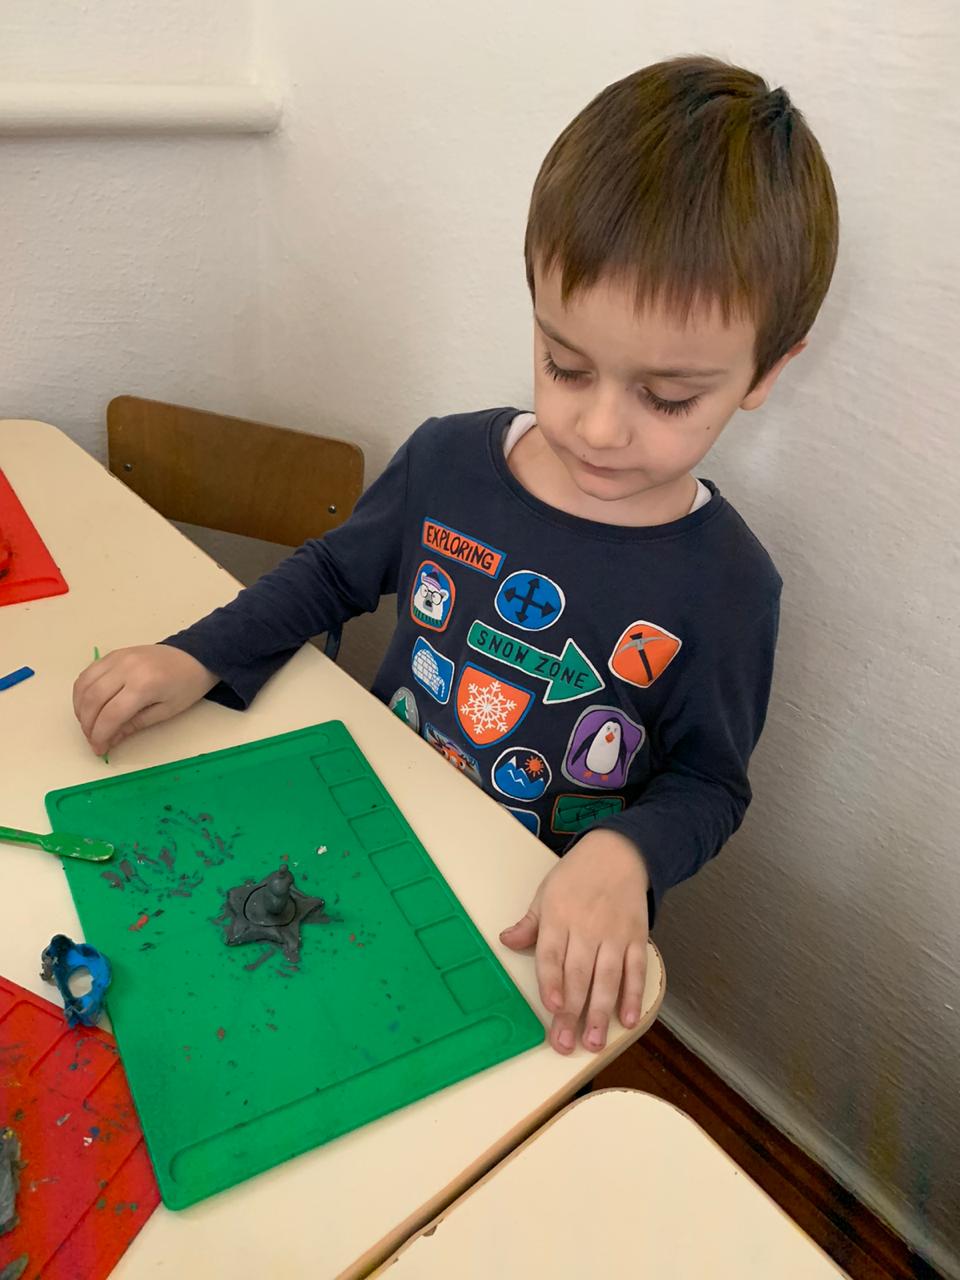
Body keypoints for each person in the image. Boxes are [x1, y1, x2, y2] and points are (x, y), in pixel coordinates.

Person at [73, 56, 838, 1056]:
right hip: (364, 832)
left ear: (766, 371)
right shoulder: (446, 461)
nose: (599, 427)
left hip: (526, 924)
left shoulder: (729, 586)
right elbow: (330, 575)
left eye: (666, 397)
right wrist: (197, 654)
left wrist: (626, 853)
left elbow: (709, 783)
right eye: (566, 364)